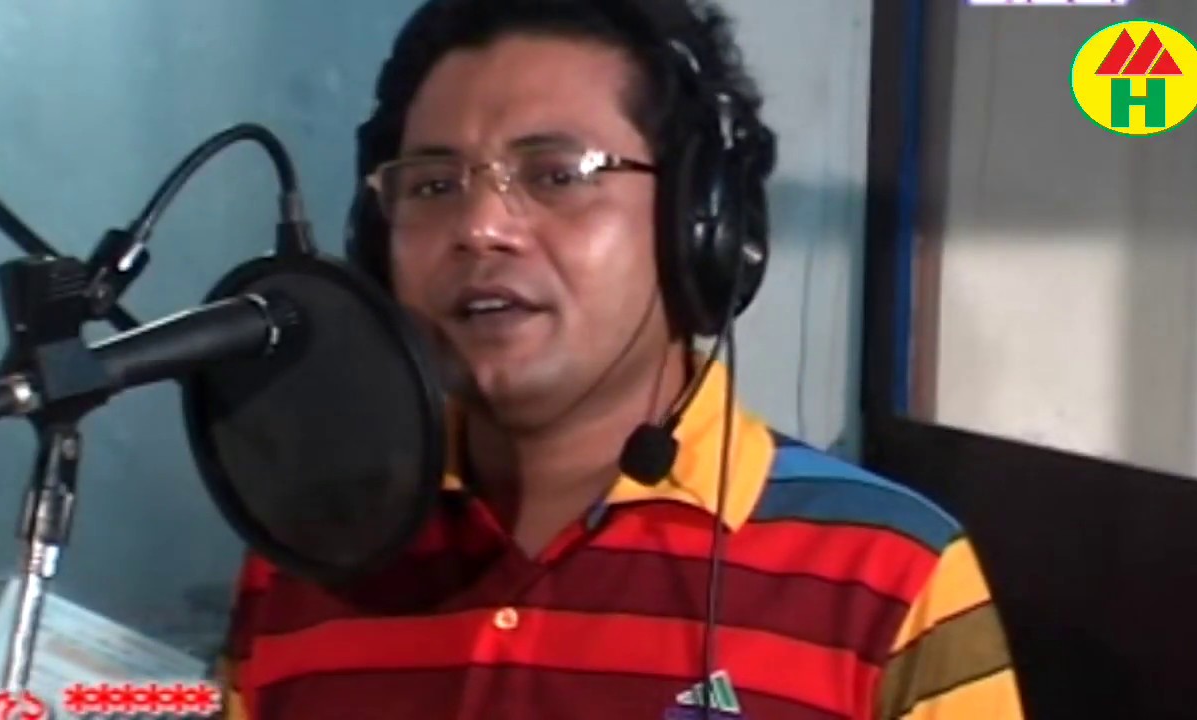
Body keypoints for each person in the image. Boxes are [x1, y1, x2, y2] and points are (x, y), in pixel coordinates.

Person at [217, 0, 1025, 718]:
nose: (480, 227)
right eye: (433, 186)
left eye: (556, 175)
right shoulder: (310, 551)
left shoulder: (892, 574)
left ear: (699, 225)